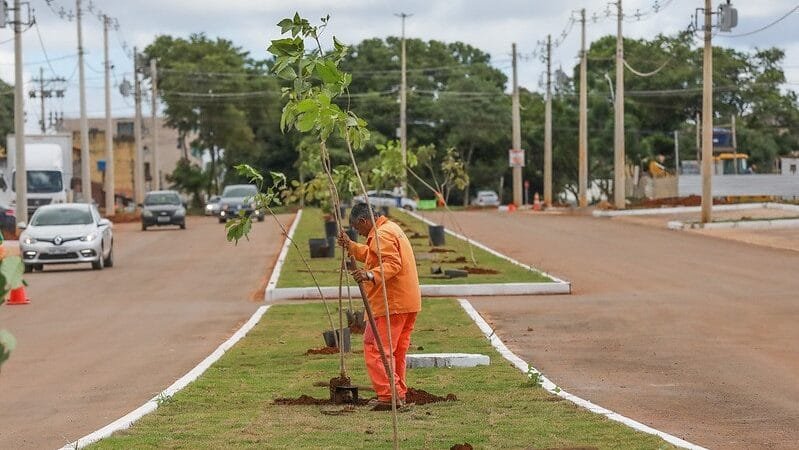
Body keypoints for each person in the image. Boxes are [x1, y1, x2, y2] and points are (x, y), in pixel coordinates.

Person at [337, 203, 421, 408]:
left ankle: (389, 395)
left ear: (364, 221)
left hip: (389, 303)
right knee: (396, 352)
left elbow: (392, 263)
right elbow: (373, 255)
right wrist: (351, 246)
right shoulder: (390, 229)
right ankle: (398, 393)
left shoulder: (382, 234)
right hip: (406, 302)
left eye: (358, 228)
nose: (358, 232)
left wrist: (369, 274)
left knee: (376, 348)